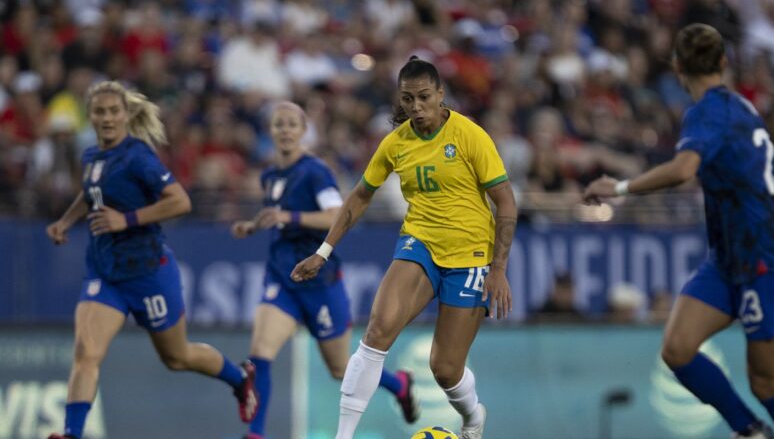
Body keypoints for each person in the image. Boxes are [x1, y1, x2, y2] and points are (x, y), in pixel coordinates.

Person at [584, 24, 774, 439]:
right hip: (730, 261)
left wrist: (618, 187)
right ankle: (749, 431)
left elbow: (683, 170)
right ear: (724, 63)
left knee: (767, 384)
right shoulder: (743, 108)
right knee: (677, 349)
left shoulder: (706, 111)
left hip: (768, 263)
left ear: (677, 67)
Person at [292, 56, 517, 439]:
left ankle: (473, 416)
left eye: (424, 97)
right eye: (408, 99)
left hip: (471, 256)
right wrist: (323, 251)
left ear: (441, 94)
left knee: (445, 369)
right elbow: (359, 197)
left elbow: (506, 203)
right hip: (420, 243)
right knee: (377, 331)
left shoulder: (470, 136)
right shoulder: (396, 143)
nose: (416, 107)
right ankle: (342, 435)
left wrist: (498, 269)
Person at [45, 81, 258, 439]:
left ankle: (239, 377)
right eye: (100, 112)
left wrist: (124, 219)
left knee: (177, 357)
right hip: (106, 273)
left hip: (148, 274)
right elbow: (91, 192)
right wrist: (66, 221)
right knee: (86, 355)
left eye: (114, 111)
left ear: (126, 115)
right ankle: (71, 434)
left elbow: (180, 201)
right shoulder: (91, 156)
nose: (107, 118)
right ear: (90, 116)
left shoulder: (138, 157)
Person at [230, 101, 420, 439]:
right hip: (282, 278)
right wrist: (252, 225)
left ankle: (399, 384)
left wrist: (290, 218)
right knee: (260, 354)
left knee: (339, 368)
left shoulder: (314, 172)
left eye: (292, 124)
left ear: (304, 131)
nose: (285, 130)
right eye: (279, 124)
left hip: (320, 280)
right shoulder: (270, 174)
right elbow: (276, 212)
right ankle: (256, 434)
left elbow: (335, 214)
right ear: (270, 132)